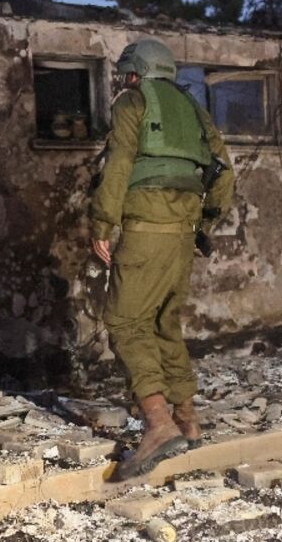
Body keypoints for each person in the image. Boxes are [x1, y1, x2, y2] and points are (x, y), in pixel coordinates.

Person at [90, 38, 234, 480]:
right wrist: (204, 226)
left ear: (136, 72)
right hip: (182, 237)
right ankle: (187, 419)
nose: (125, 80)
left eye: (127, 73)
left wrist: (102, 224)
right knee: (164, 324)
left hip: (145, 233)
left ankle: (157, 422)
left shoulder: (133, 103)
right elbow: (223, 172)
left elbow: (118, 165)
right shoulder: (194, 110)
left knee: (124, 322)